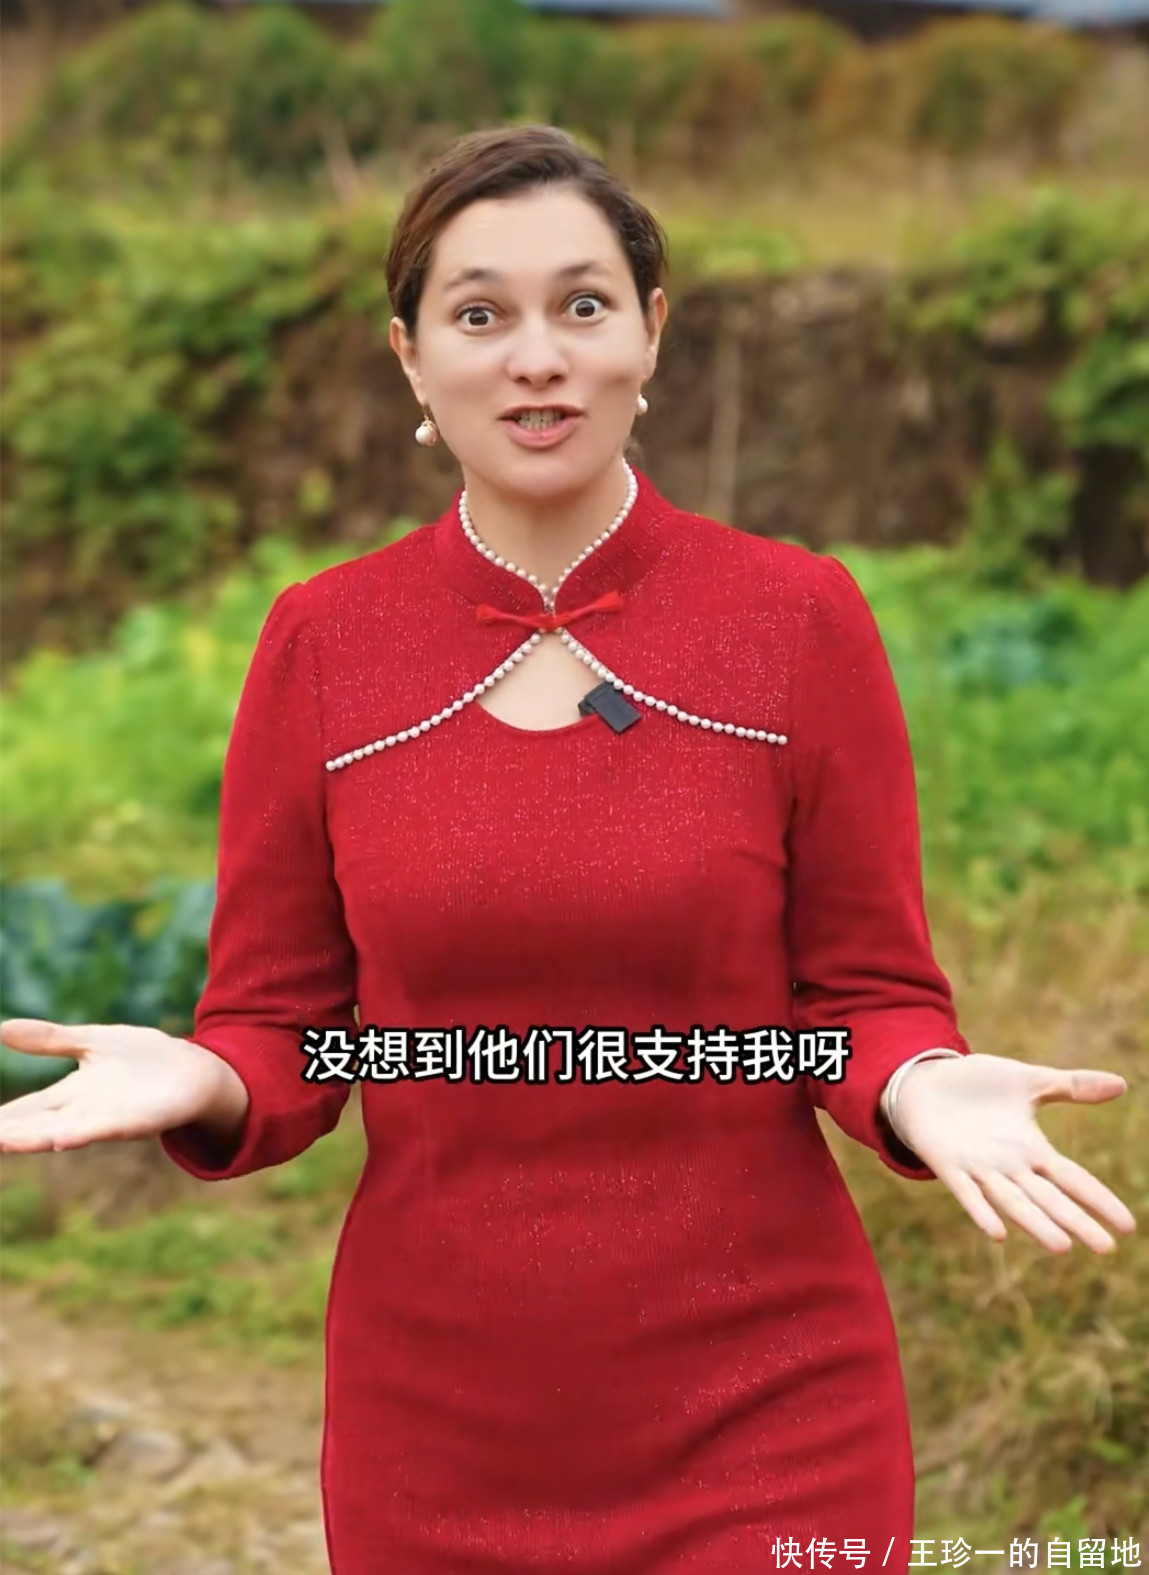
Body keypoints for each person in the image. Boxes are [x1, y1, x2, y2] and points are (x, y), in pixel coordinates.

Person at [0, 124, 1135, 1575]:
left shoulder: (794, 619)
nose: (537, 358)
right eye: (479, 315)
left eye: (582, 305)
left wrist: (921, 1081)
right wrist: (206, 1073)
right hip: (435, 1420)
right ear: (411, 357)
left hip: (770, 1412)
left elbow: (865, 993)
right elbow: (281, 1027)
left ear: (650, 331)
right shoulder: (323, 642)